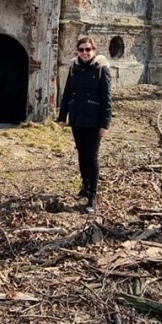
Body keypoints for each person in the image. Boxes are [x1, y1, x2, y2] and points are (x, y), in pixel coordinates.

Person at [57, 34, 112, 214]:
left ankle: (92, 197)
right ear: (77, 52)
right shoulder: (74, 68)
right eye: (81, 50)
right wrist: (61, 117)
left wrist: (105, 124)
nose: (84, 53)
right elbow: (67, 94)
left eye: (88, 49)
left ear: (94, 50)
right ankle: (85, 186)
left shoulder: (101, 69)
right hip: (77, 118)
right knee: (81, 154)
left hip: (94, 120)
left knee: (92, 156)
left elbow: (107, 99)